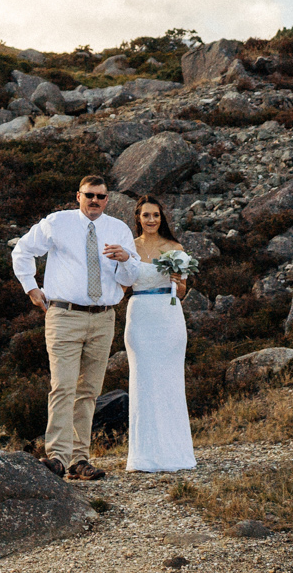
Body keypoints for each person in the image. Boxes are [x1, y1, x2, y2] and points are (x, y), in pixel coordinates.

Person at [11, 174, 140, 481]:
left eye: (101, 196)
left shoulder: (118, 229)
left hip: (103, 318)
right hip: (65, 316)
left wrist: (124, 259)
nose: (95, 201)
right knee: (63, 385)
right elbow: (23, 250)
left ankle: (79, 460)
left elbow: (132, 273)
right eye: (89, 195)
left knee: (89, 391)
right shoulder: (57, 223)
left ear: (107, 200)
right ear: (78, 196)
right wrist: (31, 287)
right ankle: (56, 456)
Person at [124, 194, 196, 472]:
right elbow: (122, 285)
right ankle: (143, 456)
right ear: (138, 219)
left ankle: (175, 454)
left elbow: (181, 291)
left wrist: (178, 282)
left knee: (170, 383)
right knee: (142, 382)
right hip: (140, 314)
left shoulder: (174, 247)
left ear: (161, 218)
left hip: (168, 318)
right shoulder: (129, 248)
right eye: (146, 215)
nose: (151, 220)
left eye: (156, 215)